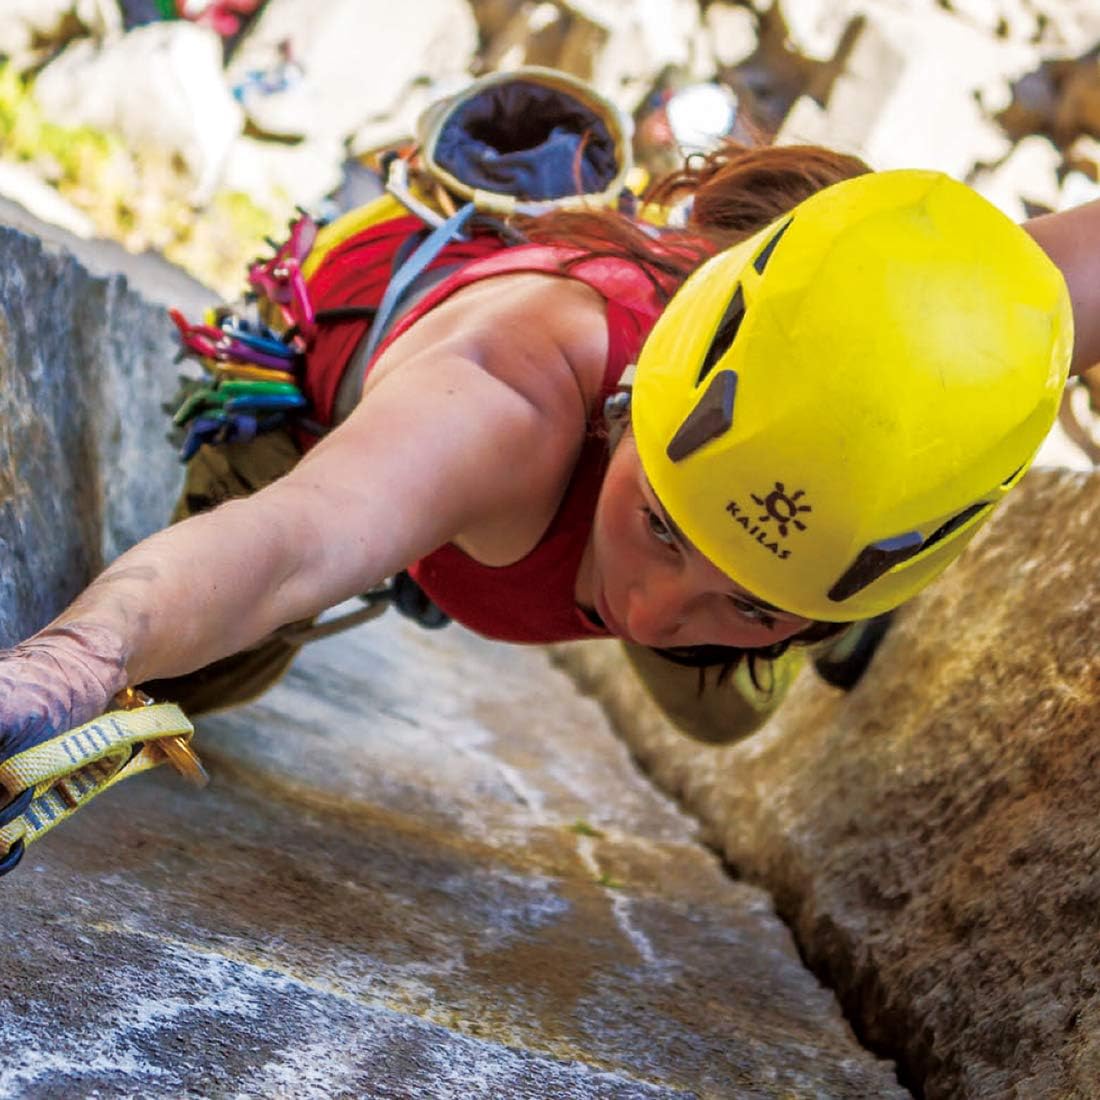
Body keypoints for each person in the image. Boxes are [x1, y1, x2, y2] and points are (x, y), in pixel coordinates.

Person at [1, 139, 1096, 771]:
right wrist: (80, 656)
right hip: (357, 417)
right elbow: (288, 543)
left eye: (750, 601)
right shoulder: (509, 396)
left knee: (720, 706)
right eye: (659, 526)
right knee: (187, 675)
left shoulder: (988, 320)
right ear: (625, 411)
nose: (656, 616)